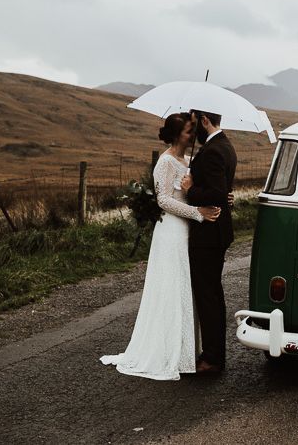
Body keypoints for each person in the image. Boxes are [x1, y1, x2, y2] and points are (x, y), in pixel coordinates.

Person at [99, 113, 220, 380]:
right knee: (170, 287)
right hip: (171, 232)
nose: (193, 136)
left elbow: (198, 189)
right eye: (189, 131)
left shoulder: (189, 162)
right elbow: (164, 201)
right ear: (177, 135)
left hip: (187, 231)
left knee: (185, 287)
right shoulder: (165, 162)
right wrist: (197, 212)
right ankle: (165, 352)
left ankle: (184, 350)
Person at [181, 109, 237, 374]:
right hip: (219, 231)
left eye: (196, 123)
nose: (194, 131)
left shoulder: (214, 150)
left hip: (209, 232)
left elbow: (215, 192)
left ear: (205, 121)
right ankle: (216, 354)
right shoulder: (226, 145)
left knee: (207, 295)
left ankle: (212, 358)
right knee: (213, 293)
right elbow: (222, 190)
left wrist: (190, 191)